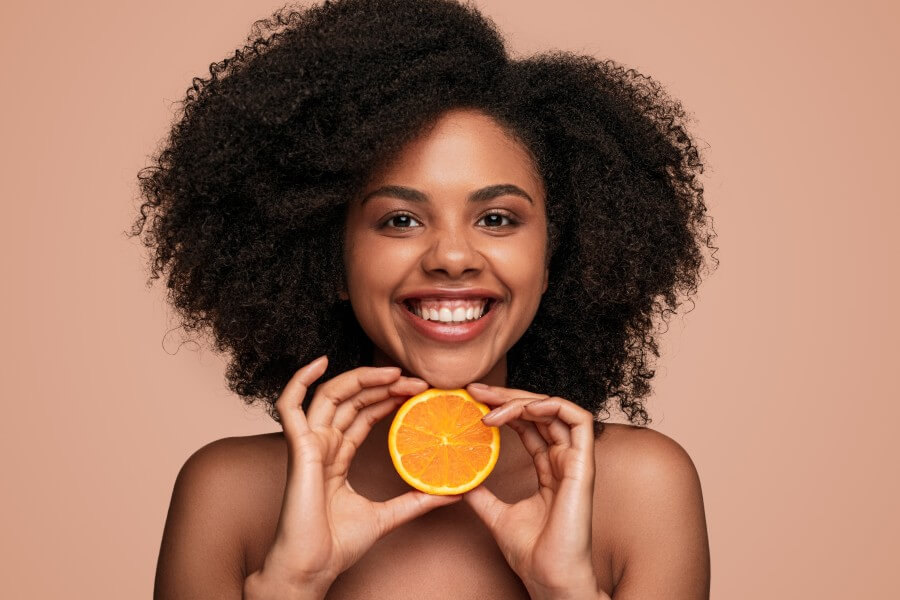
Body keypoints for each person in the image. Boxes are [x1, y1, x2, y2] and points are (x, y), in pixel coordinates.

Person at [130, 0, 716, 597]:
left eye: (496, 217)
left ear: (553, 259)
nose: (452, 256)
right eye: (402, 220)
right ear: (331, 258)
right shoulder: (229, 494)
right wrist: (292, 583)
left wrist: (565, 589)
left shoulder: (642, 488)